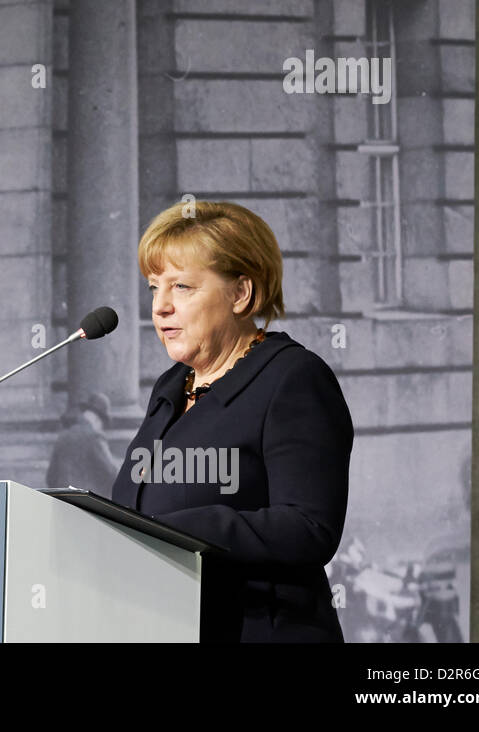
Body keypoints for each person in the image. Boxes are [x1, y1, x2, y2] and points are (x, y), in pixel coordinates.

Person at [110, 200, 354, 642]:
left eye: (181, 287)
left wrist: (173, 532)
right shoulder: (171, 387)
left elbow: (309, 527)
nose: (160, 306)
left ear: (241, 293)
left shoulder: (291, 378)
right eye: (153, 287)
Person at [46, 391, 121, 494]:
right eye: (102, 425)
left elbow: (50, 477)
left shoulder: (63, 436)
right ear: (96, 420)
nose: (101, 429)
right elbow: (112, 473)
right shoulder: (94, 437)